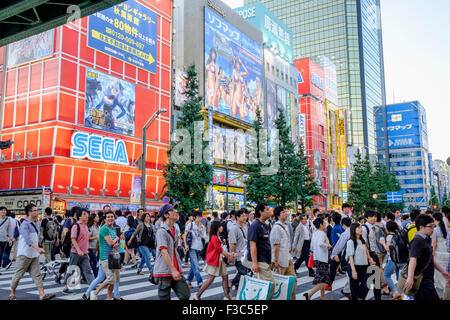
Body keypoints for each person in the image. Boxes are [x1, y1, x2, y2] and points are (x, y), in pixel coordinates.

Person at [9, 204, 55, 300]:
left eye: (37, 210)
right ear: (29, 212)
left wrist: (39, 244)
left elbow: (36, 237)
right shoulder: (25, 224)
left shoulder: (36, 222)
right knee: (18, 275)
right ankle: (12, 294)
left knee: (37, 274)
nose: (37, 212)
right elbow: (28, 240)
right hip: (24, 254)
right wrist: (38, 248)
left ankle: (42, 295)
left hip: (34, 254)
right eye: (34, 210)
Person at [404, 214, 450, 300]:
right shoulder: (417, 241)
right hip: (422, 281)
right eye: (430, 226)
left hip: (428, 279)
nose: (433, 229)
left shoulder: (426, 238)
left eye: (433, 226)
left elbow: (430, 258)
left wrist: (443, 271)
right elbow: (413, 260)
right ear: (421, 227)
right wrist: (410, 278)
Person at [153, 204, 189, 300]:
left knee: (185, 295)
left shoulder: (174, 229)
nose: (176, 212)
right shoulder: (161, 231)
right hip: (165, 270)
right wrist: (173, 270)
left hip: (176, 269)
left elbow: (175, 247)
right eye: (172, 210)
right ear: (166, 215)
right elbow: (164, 251)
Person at [193, 221, 237, 300]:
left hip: (218, 260)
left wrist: (230, 255)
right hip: (214, 260)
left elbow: (220, 250)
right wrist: (231, 255)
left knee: (225, 277)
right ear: (217, 228)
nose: (222, 227)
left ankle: (227, 297)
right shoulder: (214, 237)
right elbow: (220, 250)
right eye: (220, 226)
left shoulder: (216, 236)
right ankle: (197, 295)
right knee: (211, 279)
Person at [61, 208, 95, 294]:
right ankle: (66, 288)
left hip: (85, 253)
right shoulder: (76, 226)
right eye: (84, 214)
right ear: (79, 216)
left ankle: (93, 287)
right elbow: (73, 239)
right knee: (72, 270)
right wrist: (79, 250)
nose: (86, 215)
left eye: (87, 214)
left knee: (87, 270)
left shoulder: (85, 226)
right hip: (75, 253)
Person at [90, 211, 121, 300]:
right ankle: (95, 292)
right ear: (105, 219)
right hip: (105, 257)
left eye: (112, 216)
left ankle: (108, 298)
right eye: (108, 217)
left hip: (114, 256)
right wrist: (117, 239)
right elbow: (111, 243)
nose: (110, 218)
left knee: (114, 280)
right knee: (110, 278)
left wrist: (115, 243)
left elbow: (115, 244)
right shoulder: (104, 229)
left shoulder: (113, 229)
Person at [247, 203, 275, 299]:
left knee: (259, 287)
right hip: (259, 261)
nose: (269, 211)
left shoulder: (265, 225)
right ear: (260, 212)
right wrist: (255, 263)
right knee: (270, 286)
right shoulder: (255, 225)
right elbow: (252, 245)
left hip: (265, 260)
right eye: (267, 209)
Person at [270, 206, 297, 300]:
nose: (286, 213)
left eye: (286, 212)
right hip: (280, 261)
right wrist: (276, 261)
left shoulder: (286, 225)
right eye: (283, 212)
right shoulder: (276, 228)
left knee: (293, 282)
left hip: (287, 258)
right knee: (279, 286)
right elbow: (275, 246)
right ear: (278, 215)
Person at [304, 217, 332, 300]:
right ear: (320, 224)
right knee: (324, 280)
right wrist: (328, 246)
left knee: (321, 278)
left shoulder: (315, 233)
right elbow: (320, 243)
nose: (325, 224)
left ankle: (322, 296)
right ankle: (310, 293)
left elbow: (312, 246)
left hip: (316, 257)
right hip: (322, 258)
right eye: (324, 223)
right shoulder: (322, 233)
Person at [345, 223, 374, 300]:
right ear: (353, 230)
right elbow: (350, 257)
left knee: (367, 285)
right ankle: (355, 297)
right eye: (358, 228)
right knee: (354, 288)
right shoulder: (350, 241)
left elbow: (366, 251)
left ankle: (359, 297)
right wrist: (353, 271)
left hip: (364, 266)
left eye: (361, 227)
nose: (361, 229)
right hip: (354, 266)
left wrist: (370, 259)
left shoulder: (362, 240)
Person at [329, 217, 353, 298]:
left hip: (347, 257)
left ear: (343, 225)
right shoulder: (355, 230)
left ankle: (348, 291)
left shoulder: (346, 233)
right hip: (357, 256)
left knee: (350, 275)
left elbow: (339, 246)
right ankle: (347, 290)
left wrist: (333, 254)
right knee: (351, 274)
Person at [184, 211, 207, 289]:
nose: (199, 218)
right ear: (194, 217)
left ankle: (187, 281)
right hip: (192, 248)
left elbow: (204, 236)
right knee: (196, 266)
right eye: (198, 217)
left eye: (200, 217)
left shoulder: (202, 227)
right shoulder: (190, 225)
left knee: (193, 266)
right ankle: (200, 282)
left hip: (200, 248)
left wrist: (209, 241)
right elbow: (185, 235)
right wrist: (186, 245)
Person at [228, 209, 249, 291]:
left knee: (242, 272)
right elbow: (232, 243)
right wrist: (232, 255)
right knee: (243, 273)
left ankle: (236, 287)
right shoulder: (234, 228)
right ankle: (232, 283)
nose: (245, 217)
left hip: (245, 254)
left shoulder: (245, 226)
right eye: (243, 216)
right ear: (237, 217)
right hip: (238, 255)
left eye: (245, 216)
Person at [383, 221, 404, 300]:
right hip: (402, 259)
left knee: (386, 275)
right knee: (399, 277)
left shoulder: (389, 237)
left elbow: (388, 249)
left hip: (393, 260)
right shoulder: (400, 234)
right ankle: (401, 294)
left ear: (388, 228)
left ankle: (395, 292)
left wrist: (383, 243)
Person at [431, 212, 449, 294]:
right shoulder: (446, 228)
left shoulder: (435, 230)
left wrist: (432, 254)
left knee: (440, 272)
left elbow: (434, 244)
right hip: (447, 253)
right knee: (446, 270)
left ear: (434, 219)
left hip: (439, 254)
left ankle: (443, 290)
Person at [0, 206, 14, 273]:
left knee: (1, 254)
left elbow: (10, 230)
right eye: (2, 210)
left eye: (5, 210)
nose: (3, 211)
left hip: (4, 240)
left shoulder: (8, 219)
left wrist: (10, 239)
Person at [87, 213, 99, 277]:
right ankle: (96, 276)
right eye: (97, 217)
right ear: (93, 219)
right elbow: (88, 238)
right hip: (90, 247)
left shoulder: (97, 227)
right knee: (94, 261)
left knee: (92, 262)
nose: (98, 218)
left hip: (96, 247)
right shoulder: (91, 227)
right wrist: (95, 237)